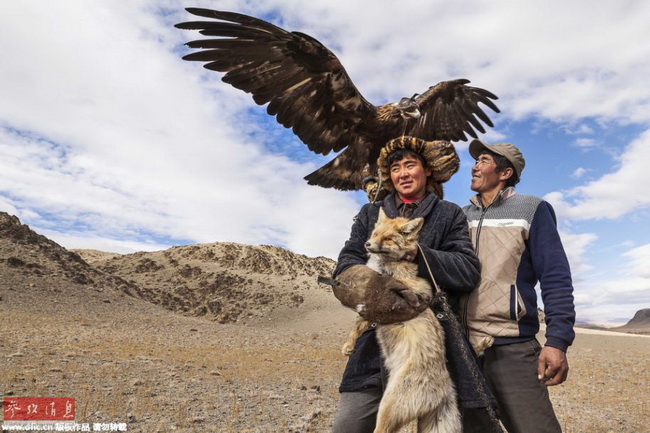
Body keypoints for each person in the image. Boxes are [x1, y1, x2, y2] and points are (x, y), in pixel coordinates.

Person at [329, 136, 492, 433]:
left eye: (410, 165)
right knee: (348, 424)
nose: (402, 173)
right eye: (395, 168)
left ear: (426, 170)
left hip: (427, 339)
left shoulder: (448, 214)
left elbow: (467, 270)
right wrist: (371, 288)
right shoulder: (370, 214)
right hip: (374, 339)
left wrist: (420, 253)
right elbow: (347, 260)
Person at [460, 140, 576, 433]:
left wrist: (557, 341)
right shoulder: (459, 216)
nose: (474, 165)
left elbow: (555, 275)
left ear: (505, 172)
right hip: (464, 349)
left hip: (512, 345)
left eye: (483, 160)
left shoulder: (532, 209)